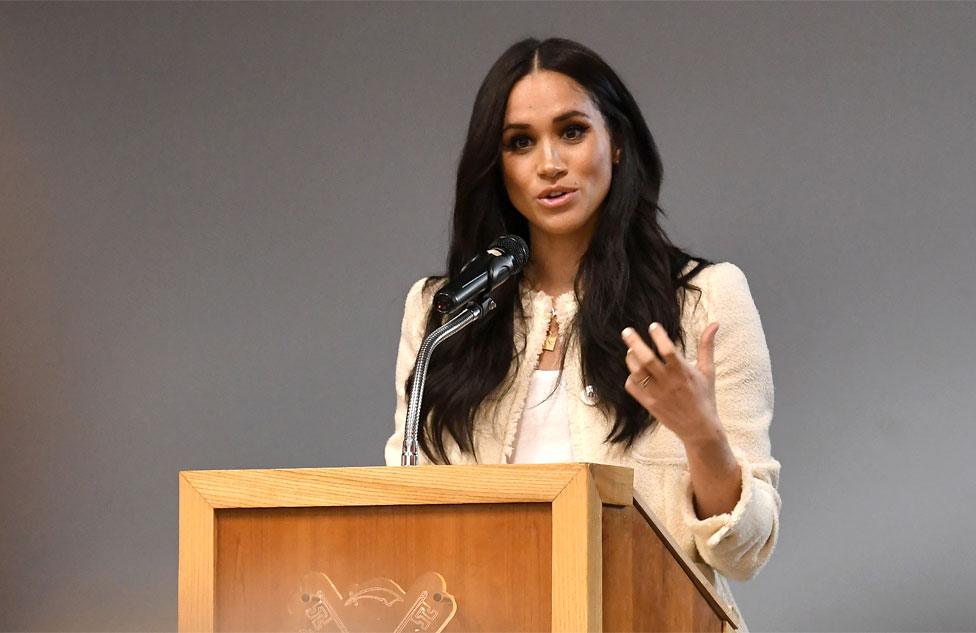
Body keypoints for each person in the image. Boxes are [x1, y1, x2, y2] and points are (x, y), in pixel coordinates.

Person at [385, 37, 779, 629]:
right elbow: (399, 512)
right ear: (498, 167)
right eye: (521, 142)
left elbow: (746, 550)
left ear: (616, 143)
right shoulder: (441, 313)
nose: (549, 164)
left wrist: (702, 436)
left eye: (572, 131)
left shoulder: (703, 299)